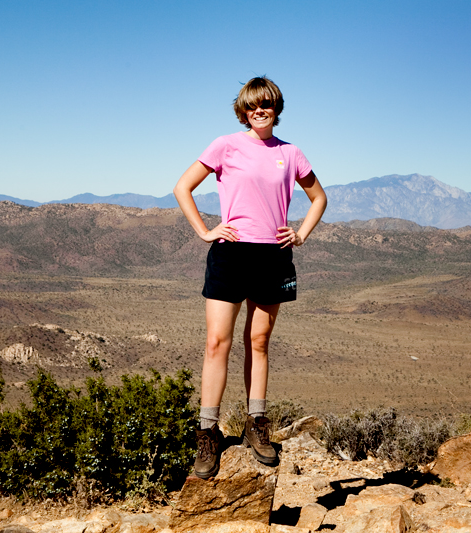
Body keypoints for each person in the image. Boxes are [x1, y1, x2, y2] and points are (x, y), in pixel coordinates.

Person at [173, 76, 327, 479]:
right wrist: (206, 230)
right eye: (253, 105)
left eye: (268, 104)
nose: (261, 111)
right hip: (231, 254)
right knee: (216, 343)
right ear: (244, 111)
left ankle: (256, 425)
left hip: (274, 256)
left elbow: (319, 197)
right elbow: (182, 187)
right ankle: (207, 434)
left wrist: (301, 233)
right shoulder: (225, 145)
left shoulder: (290, 153)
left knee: (258, 342)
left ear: (276, 109)